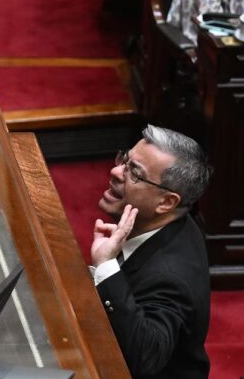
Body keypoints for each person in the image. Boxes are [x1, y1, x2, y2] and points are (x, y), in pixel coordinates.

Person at [89, 124, 213, 378]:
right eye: (125, 160)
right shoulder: (176, 219)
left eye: (134, 173)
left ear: (166, 202)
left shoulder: (171, 277)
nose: (115, 171)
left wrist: (106, 265)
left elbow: (145, 356)